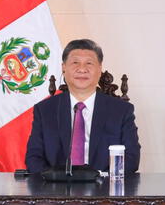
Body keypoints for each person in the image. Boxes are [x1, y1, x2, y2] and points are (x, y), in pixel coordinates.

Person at [25, 39, 141, 174]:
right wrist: (55, 181)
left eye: (89, 63)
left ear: (100, 68)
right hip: (57, 191)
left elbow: (131, 158)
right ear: (63, 67)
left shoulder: (121, 111)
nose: (82, 69)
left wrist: (102, 180)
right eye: (75, 62)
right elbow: (33, 158)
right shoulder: (45, 110)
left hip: (103, 189)